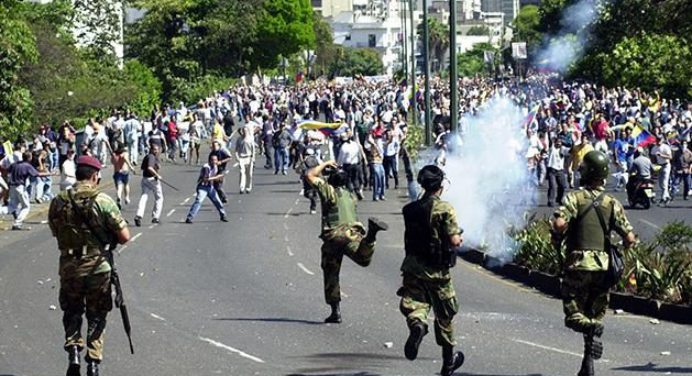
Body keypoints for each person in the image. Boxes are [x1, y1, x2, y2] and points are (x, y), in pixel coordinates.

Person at [552, 150, 635, 376]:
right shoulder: (612, 203)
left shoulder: (575, 198)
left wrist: (558, 233)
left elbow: (560, 224)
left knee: (574, 315)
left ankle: (589, 329)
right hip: (603, 267)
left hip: (578, 264)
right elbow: (629, 238)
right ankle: (587, 365)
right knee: (593, 314)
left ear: (586, 172)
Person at [48, 155, 130, 376]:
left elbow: (55, 232)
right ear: (94, 176)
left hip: (69, 267)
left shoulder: (58, 201)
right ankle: (93, 362)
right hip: (98, 267)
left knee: (72, 310)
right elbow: (124, 236)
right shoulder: (103, 201)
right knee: (97, 314)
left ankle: (74, 350)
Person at [398, 165, 465, 376]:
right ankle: (447, 362)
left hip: (413, 266)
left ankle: (417, 324)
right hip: (437, 270)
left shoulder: (409, 209)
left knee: (416, 304)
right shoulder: (444, 208)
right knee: (444, 315)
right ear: (440, 185)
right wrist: (457, 238)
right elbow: (454, 240)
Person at [305, 160, 388, 323]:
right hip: (353, 233)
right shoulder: (351, 196)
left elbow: (309, 174)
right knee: (363, 259)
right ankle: (370, 236)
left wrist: (326, 163)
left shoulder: (329, 190)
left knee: (331, 272)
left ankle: (335, 311)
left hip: (334, 236)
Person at [7, 151, 51, 230]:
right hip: (20, 187)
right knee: (26, 207)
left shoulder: (14, 164)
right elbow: (37, 174)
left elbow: (8, 171)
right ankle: (17, 223)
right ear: (29, 158)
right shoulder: (27, 166)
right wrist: (49, 174)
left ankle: (2, 210)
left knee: (12, 206)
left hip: (12, 186)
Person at [185, 154, 228, 223]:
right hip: (202, 187)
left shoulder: (216, 167)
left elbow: (218, 176)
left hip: (210, 187)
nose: (214, 162)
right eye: (212, 160)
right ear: (209, 161)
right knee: (199, 201)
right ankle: (190, 217)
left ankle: (223, 215)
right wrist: (216, 178)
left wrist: (219, 179)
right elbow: (205, 179)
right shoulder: (206, 167)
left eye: (215, 160)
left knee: (217, 201)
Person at [134, 144, 164, 226]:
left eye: (157, 150)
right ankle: (155, 217)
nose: (157, 151)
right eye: (155, 150)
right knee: (159, 198)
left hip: (145, 179)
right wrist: (157, 175)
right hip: (152, 180)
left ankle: (139, 215)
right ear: (151, 150)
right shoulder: (151, 157)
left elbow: (143, 168)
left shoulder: (147, 157)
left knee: (144, 196)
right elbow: (149, 168)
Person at [651, 135, 673, 205]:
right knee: (660, 183)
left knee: (664, 182)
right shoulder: (654, 148)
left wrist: (661, 155)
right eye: (657, 140)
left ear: (662, 140)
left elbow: (670, 157)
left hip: (666, 165)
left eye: (660, 140)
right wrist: (653, 163)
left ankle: (663, 198)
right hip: (659, 166)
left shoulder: (665, 147)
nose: (659, 141)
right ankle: (667, 196)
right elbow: (652, 157)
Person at [234, 126, 255, 194]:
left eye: (246, 131)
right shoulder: (239, 139)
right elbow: (236, 150)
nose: (244, 132)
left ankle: (248, 187)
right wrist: (237, 157)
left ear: (248, 131)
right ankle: (242, 188)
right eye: (243, 131)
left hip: (249, 157)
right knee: (242, 172)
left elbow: (253, 150)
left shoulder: (250, 139)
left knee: (249, 174)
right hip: (241, 158)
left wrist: (253, 158)